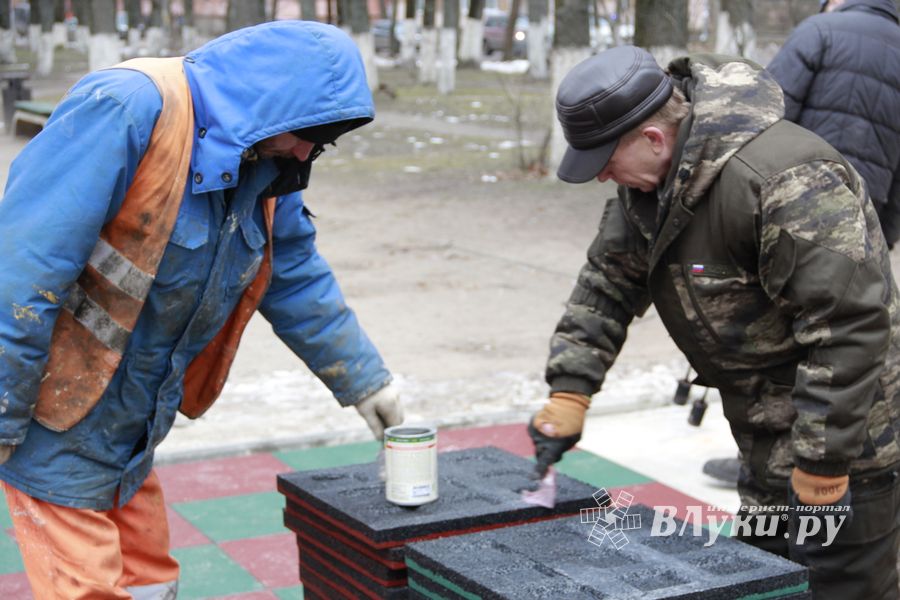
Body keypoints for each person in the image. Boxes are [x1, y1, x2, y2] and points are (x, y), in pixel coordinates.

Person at [0, 21, 403, 598]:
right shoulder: (129, 108)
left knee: (150, 580)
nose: (308, 152)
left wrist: (365, 380)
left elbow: (290, 272)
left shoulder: (268, 162)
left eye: (324, 141)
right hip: (54, 411)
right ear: (271, 106)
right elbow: (20, 271)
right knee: (84, 587)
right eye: (307, 134)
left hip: (133, 423)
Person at [529, 45, 900, 598]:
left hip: (853, 446)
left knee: (840, 588)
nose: (603, 177)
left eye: (605, 160)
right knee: (763, 583)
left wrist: (824, 463)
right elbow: (606, 285)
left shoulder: (787, 180)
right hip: (763, 437)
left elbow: (847, 327)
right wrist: (570, 390)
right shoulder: (647, 192)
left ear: (653, 139)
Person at [702, 0, 900, 487]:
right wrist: (881, 236)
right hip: (861, 218)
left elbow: (760, 115)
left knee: (780, 349)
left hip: (791, 212)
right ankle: (855, 465)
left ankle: (776, 463)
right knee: (852, 346)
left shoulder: (820, 31)